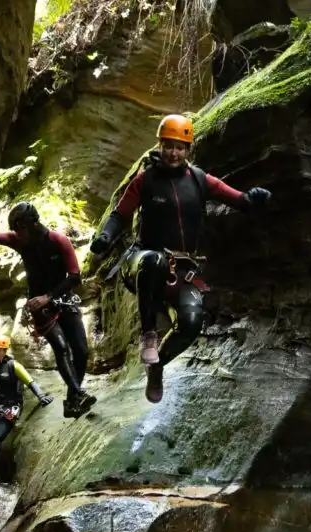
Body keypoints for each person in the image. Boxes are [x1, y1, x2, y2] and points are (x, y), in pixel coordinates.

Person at [89, 113, 272, 402]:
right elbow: (119, 215)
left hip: (182, 269)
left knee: (190, 323)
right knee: (154, 261)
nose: (174, 152)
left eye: (180, 146)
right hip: (142, 263)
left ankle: (158, 366)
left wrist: (254, 199)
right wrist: (105, 238)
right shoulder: (145, 181)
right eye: (169, 145)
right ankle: (148, 335)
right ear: (160, 145)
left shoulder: (199, 180)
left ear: (188, 149)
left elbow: (239, 200)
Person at [0, 203, 97, 418]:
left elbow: (74, 276)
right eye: (15, 230)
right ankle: (78, 395)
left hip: (62, 300)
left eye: (20, 229)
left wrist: (48, 297)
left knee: (81, 351)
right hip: (38, 307)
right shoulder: (18, 241)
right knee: (61, 348)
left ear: (33, 224)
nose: (17, 234)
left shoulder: (57, 240)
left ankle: (72, 398)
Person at [0, 334, 53, 479]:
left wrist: (41, 396)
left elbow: (30, 382)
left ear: (5, 351)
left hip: (10, 408)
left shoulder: (13, 366)